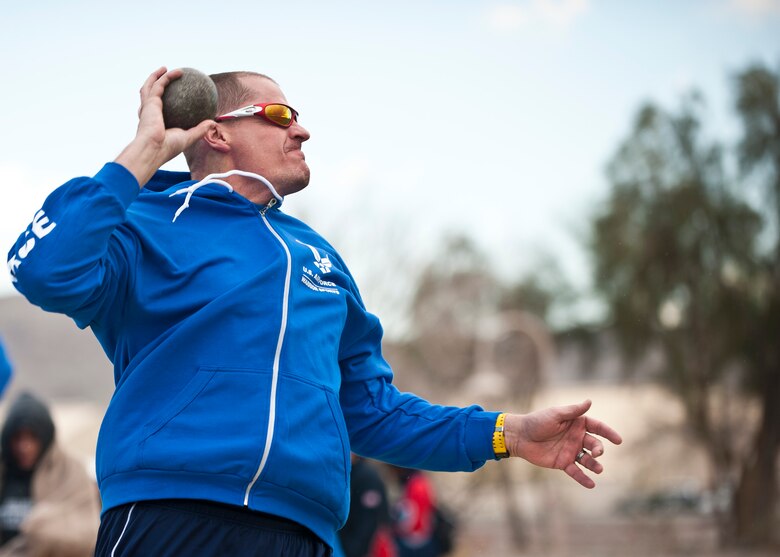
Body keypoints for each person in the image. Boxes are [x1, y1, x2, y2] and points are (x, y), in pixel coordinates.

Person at [7, 67, 623, 556]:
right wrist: (145, 152)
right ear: (215, 132)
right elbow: (43, 268)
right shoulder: (140, 223)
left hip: (304, 532)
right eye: (279, 116)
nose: (301, 132)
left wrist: (507, 433)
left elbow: (373, 413)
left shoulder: (319, 256)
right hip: (169, 513)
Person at [0, 391, 100, 556]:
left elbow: (87, 531)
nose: (24, 447)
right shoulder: (4, 471)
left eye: (32, 437)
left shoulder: (71, 472)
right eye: (18, 438)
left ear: (45, 437)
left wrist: (39, 527)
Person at [339, 456, 396, 557]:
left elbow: (369, 523)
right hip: (346, 546)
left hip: (363, 550)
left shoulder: (367, 478)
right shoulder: (346, 473)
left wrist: (354, 551)